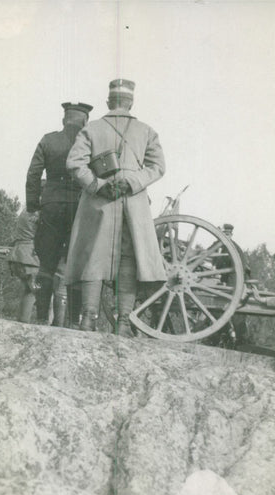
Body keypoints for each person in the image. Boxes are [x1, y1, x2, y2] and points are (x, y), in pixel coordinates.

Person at [65, 79, 166, 335]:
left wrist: (97, 185)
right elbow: (157, 167)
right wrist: (132, 182)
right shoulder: (146, 131)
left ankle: (88, 319)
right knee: (129, 261)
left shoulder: (92, 129)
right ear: (131, 102)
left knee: (92, 255)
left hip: (98, 202)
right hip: (134, 203)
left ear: (109, 102)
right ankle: (123, 323)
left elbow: (75, 163)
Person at [26, 101, 93, 325]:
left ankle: (42, 318)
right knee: (75, 265)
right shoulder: (89, 143)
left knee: (46, 265)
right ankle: (73, 322)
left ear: (64, 119)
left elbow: (33, 175)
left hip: (51, 207)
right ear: (85, 121)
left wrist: (33, 206)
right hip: (79, 209)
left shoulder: (48, 140)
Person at [7, 208, 40, 323]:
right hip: (30, 256)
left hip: (18, 253)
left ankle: (22, 321)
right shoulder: (38, 212)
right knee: (36, 290)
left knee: (28, 290)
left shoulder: (26, 211)